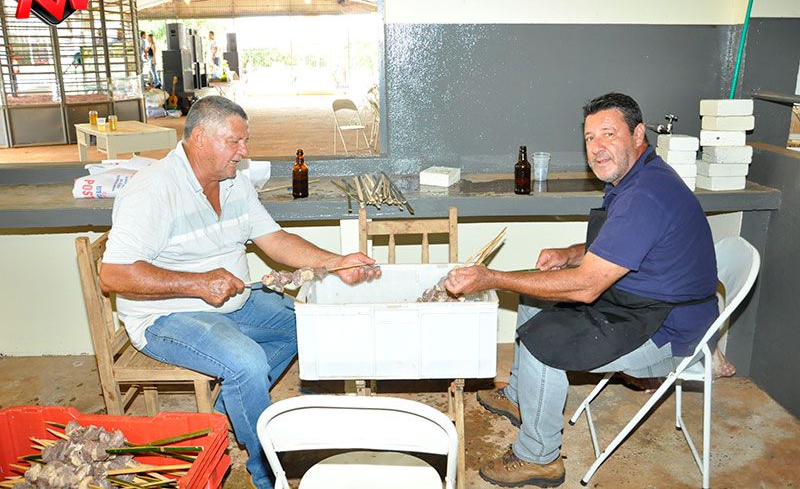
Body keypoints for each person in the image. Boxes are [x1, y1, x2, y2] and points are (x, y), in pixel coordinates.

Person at [100, 95, 380, 489]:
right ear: (200, 137)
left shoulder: (234, 181)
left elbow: (274, 239)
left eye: (245, 141)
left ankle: (231, 405)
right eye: (235, 141)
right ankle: (268, 474)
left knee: (310, 326)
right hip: (165, 316)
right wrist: (197, 283)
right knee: (246, 363)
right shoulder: (152, 190)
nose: (244, 151)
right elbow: (113, 276)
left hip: (234, 303)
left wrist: (334, 262)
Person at [444, 92, 720, 488]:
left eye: (609, 134)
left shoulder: (645, 195)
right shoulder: (636, 177)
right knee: (535, 297)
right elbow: (621, 247)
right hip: (640, 299)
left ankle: (539, 458)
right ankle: (522, 398)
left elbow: (588, 286)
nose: (597, 147)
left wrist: (491, 278)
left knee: (544, 342)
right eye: (590, 137)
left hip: (668, 328)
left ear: (638, 134)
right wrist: (571, 254)